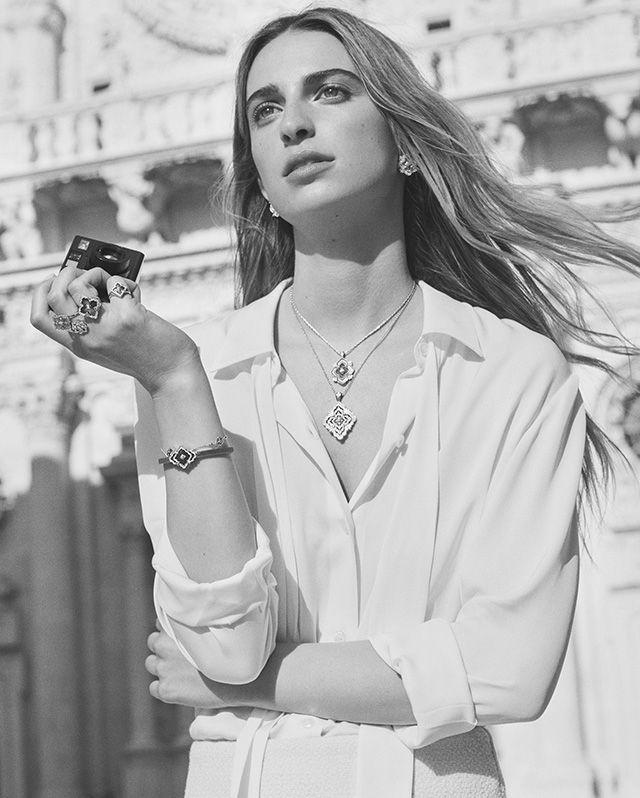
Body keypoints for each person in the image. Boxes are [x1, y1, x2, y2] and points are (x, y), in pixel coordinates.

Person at [30, 6, 640, 798]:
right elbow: (224, 645)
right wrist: (175, 381)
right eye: (265, 110)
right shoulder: (195, 371)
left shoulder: (512, 372)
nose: (294, 124)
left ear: (408, 144)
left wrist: (256, 685)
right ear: (259, 181)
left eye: (330, 92)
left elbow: (508, 670)